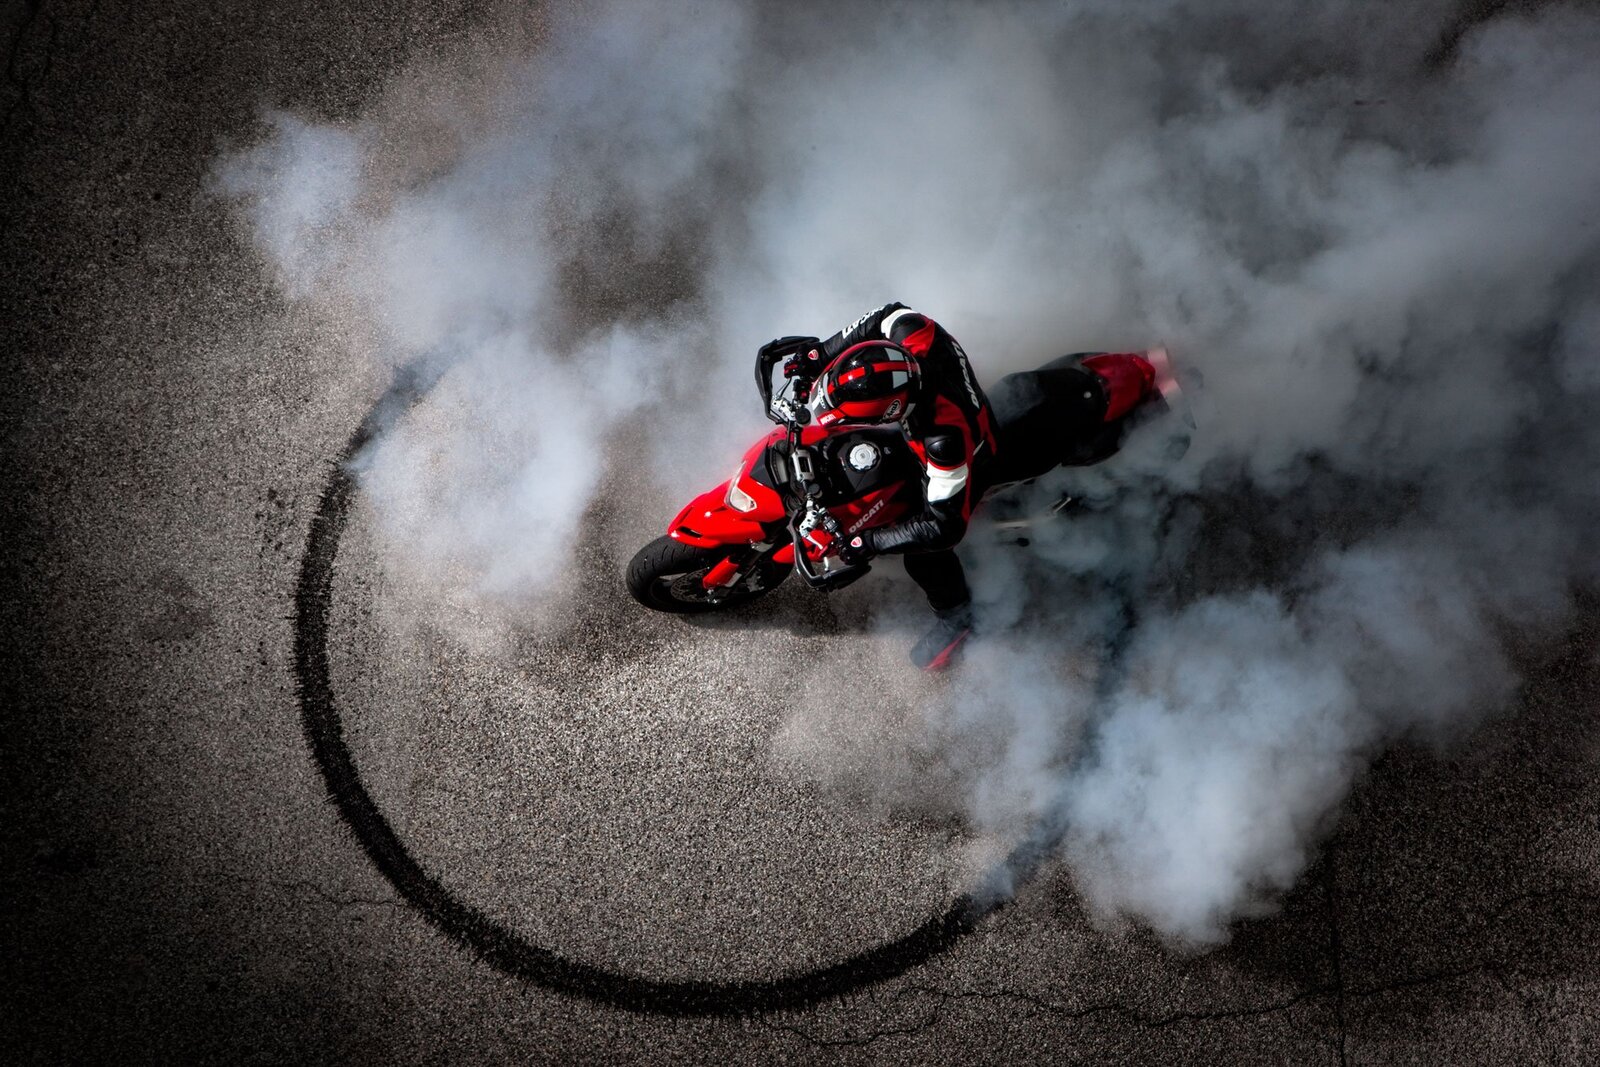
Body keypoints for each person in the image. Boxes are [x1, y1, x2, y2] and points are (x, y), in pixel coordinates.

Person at [763, 302, 1164, 671]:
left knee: (921, 553)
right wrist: (821, 354)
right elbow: (886, 314)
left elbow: (944, 526)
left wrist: (867, 542)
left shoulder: (943, 442)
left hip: (994, 453)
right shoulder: (919, 337)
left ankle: (959, 619)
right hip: (1018, 395)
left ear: (894, 410)